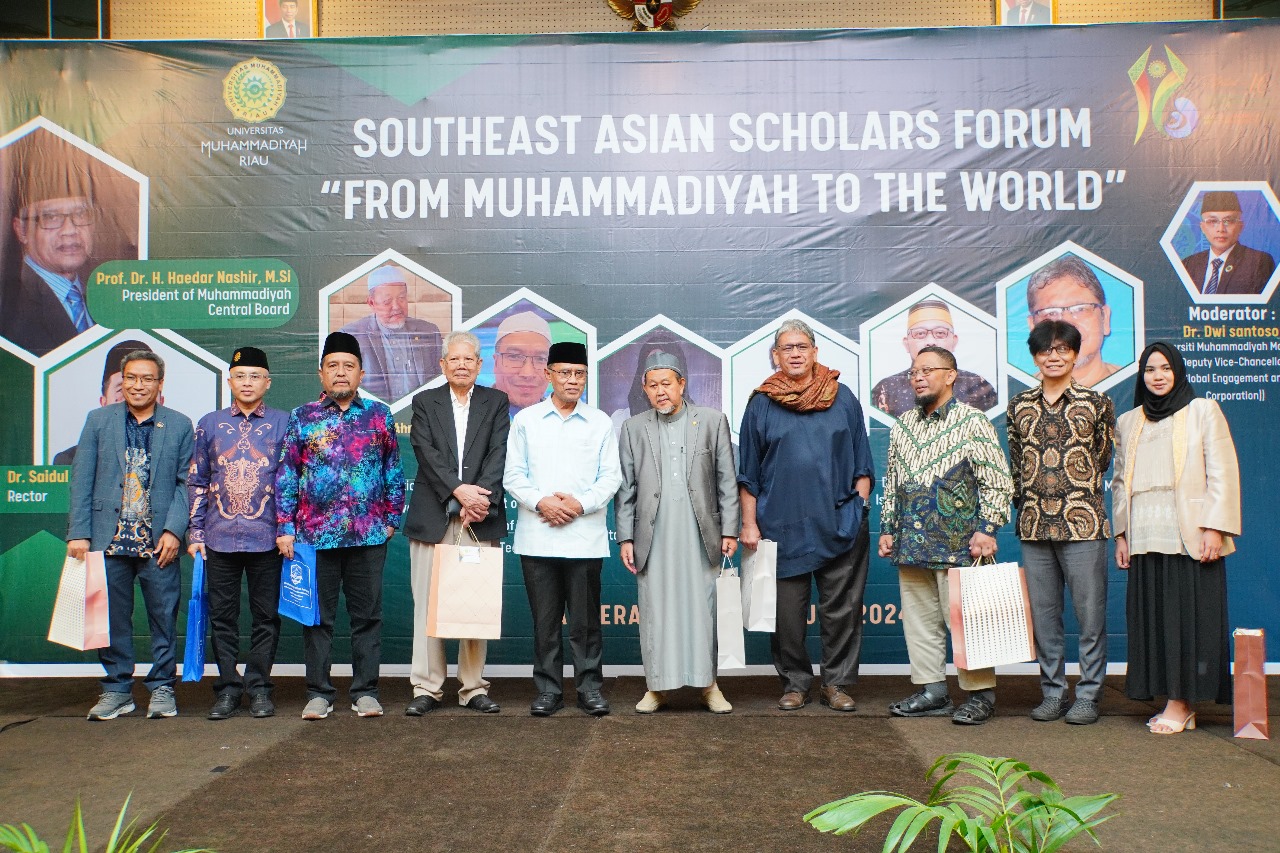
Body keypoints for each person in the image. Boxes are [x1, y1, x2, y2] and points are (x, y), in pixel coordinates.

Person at [737, 319, 874, 712]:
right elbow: (748, 472)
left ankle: (837, 684)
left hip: (840, 523)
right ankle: (795, 683)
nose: (795, 353)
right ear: (775, 355)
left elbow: (862, 463)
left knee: (842, 610)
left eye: (802, 346)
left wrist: (858, 508)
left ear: (815, 352)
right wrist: (749, 523)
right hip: (780, 527)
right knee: (787, 617)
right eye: (787, 347)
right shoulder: (761, 403)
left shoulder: (842, 397)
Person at [878, 345, 1013, 726]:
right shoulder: (902, 425)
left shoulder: (973, 421)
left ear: (951, 375)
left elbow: (997, 481)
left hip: (961, 544)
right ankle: (933, 691)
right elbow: (893, 483)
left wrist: (988, 528)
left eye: (928, 370)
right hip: (911, 544)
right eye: (914, 372)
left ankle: (981, 696)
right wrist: (888, 528)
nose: (918, 377)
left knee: (967, 623)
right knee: (919, 623)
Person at [275, 332, 405, 720]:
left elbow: (393, 469)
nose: (341, 372)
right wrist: (285, 526)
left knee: (367, 618)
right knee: (317, 619)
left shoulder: (379, 415)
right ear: (321, 373)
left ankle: (365, 691)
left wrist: (391, 520)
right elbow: (288, 474)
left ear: (361, 373)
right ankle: (319, 693)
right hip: (315, 536)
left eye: (349, 366)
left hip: (369, 535)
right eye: (333, 366)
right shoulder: (303, 417)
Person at [1113, 342, 1240, 735]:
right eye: (1150, 369)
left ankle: (1181, 703)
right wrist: (1121, 534)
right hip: (1143, 536)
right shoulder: (1128, 421)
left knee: (1187, 620)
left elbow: (1222, 471)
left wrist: (1215, 527)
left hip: (1190, 534)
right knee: (1155, 620)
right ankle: (1172, 698)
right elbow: (1118, 482)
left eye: (1166, 368)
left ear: (1179, 371)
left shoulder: (1203, 410)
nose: (1158, 376)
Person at [68, 349, 194, 721]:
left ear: (160, 384)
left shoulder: (179, 424)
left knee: (164, 617)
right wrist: (79, 533)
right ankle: (117, 689)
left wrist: (174, 530)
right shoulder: (98, 421)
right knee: (109, 619)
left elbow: (186, 484)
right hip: (106, 539)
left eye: (147, 379)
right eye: (132, 378)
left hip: (158, 543)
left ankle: (162, 687)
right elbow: (82, 480)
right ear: (122, 382)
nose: (138, 385)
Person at [616, 351, 740, 714]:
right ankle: (657, 687)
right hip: (652, 536)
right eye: (653, 385)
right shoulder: (633, 427)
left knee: (703, 609)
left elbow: (726, 481)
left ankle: (708, 685)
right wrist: (626, 537)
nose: (660, 392)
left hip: (702, 532)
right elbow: (626, 488)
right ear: (644, 388)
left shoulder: (712, 421)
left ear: (682, 384)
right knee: (656, 610)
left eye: (667, 384)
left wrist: (730, 530)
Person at [504, 341, 621, 717]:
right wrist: (543, 503)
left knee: (585, 623)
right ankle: (548, 690)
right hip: (538, 537)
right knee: (545, 622)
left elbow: (611, 478)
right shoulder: (526, 421)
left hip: (583, 538)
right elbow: (513, 476)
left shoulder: (600, 422)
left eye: (579, 374)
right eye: (565, 373)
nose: (573, 380)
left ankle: (590, 688)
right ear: (548, 374)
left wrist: (578, 505)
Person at [1007, 321, 1115, 726]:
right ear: (1034, 356)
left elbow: (1102, 459)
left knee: (1090, 617)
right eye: (1045, 350)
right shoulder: (1019, 405)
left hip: (1083, 524)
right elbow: (1016, 463)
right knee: (1045, 618)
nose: (1053, 356)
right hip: (1035, 524)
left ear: (1074, 353)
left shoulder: (1097, 403)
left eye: (1062, 349)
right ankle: (1053, 693)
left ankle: (1088, 696)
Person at [403, 330, 509, 716]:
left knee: (474, 600)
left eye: (469, 359)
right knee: (427, 605)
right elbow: (425, 452)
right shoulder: (424, 402)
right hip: (433, 514)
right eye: (455, 359)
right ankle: (427, 687)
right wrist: (458, 491)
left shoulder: (495, 401)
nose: (461, 365)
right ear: (443, 364)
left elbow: (498, 453)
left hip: (478, 517)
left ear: (479, 365)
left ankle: (473, 687)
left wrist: (479, 500)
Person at [187, 346, 290, 721]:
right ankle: (228, 689)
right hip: (219, 537)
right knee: (222, 618)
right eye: (240, 376)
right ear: (229, 381)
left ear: (268, 382)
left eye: (255, 376)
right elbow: (197, 480)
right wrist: (195, 531)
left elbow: (290, 481)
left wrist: (287, 528)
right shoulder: (210, 423)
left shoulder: (284, 423)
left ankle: (259, 688)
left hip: (268, 538)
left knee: (266, 617)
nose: (247, 383)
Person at [1, 163, 97, 356]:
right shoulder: (7, 304)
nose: (70, 230)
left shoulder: (107, 296)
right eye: (51, 217)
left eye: (80, 214)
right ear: (22, 230)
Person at [871, 299, 997, 418]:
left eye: (940, 333)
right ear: (906, 343)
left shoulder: (978, 386)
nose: (930, 341)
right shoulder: (886, 389)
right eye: (920, 334)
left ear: (954, 341)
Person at [339, 264, 442, 402]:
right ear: (371, 303)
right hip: (374, 414)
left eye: (401, 298)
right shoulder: (350, 337)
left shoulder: (429, 331)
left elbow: (440, 382)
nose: (396, 307)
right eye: (387, 301)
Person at [1025, 255, 1121, 387]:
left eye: (1080, 309)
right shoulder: (1019, 394)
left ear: (1105, 318)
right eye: (1051, 312)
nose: (1067, 323)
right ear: (1032, 327)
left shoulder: (1136, 386)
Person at [53, 339, 152, 465]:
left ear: (160, 401)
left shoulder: (176, 456)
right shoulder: (71, 461)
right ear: (104, 403)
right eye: (122, 390)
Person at [1180, 191, 1276, 296]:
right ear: (1202, 227)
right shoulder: (1189, 264)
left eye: (1228, 221)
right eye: (1213, 221)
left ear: (1240, 226)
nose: (1221, 229)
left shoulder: (1258, 262)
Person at [491, 310, 552, 415]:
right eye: (514, 356)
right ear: (496, 363)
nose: (528, 373)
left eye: (541, 359)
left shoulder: (564, 421)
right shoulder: (468, 414)